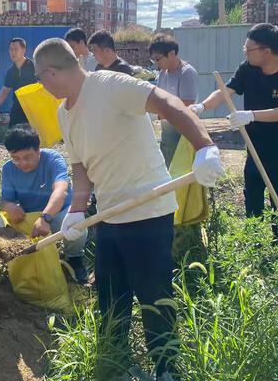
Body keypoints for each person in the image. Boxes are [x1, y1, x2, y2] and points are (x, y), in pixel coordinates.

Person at [33, 38, 224, 378]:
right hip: (109, 214)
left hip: (148, 210)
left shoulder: (109, 84)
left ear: (50, 73)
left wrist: (204, 146)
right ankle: (118, 361)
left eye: (40, 79)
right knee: (110, 296)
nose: (41, 87)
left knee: (154, 296)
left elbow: (166, 102)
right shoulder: (65, 113)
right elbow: (80, 167)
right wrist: (77, 209)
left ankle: (166, 368)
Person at [190, 23, 278, 241]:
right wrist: (202, 106)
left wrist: (251, 115)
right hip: (256, 144)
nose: (245, 53)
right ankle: (255, 243)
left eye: (249, 49)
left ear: (266, 51)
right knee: (253, 192)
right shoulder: (248, 68)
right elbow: (225, 91)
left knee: (277, 195)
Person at [0, 124, 88, 283]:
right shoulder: (8, 169)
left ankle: (74, 258)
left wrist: (45, 217)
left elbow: (60, 191)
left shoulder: (53, 159)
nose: (22, 163)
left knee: (77, 226)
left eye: (27, 157)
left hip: (57, 213)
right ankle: (14, 262)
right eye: (16, 159)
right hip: (29, 216)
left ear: (38, 149)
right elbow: (5, 200)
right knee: (0, 225)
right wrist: (10, 207)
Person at [149, 34, 199, 167]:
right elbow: (158, 98)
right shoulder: (163, 73)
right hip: (168, 133)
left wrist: (156, 114)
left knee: (179, 174)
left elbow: (185, 107)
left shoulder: (186, 73)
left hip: (183, 136)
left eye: (158, 59)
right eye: (153, 60)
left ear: (171, 53)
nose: (156, 64)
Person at [0, 38, 36, 127]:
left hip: (33, 111)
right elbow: (5, 91)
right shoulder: (11, 71)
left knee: (32, 139)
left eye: (16, 49)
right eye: (11, 49)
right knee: (13, 136)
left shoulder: (34, 67)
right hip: (17, 110)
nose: (13, 52)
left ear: (23, 50)